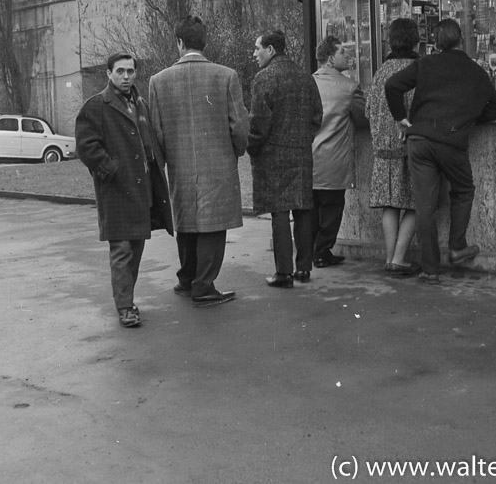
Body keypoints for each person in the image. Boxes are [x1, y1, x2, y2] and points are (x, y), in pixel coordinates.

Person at [384, 18, 496, 284]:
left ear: (435, 43)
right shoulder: (476, 72)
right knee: (463, 190)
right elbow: (495, 111)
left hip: (419, 140)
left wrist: (401, 119)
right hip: (451, 141)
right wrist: (466, 118)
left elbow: (392, 86)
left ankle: (430, 269)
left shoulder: (425, 64)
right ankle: (458, 247)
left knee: (425, 205)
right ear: (462, 38)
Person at [149, 16, 249, 308]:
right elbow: (239, 126)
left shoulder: (158, 81)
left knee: (187, 219)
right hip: (217, 161)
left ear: (179, 42)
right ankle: (204, 286)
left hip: (179, 165)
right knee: (213, 225)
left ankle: (187, 279)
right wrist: (236, 150)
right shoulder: (226, 75)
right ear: (205, 42)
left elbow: (156, 132)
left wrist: (167, 160)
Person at [76, 52, 173, 327]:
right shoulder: (96, 106)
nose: (126, 76)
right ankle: (125, 308)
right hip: (116, 193)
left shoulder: (140, 104)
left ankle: (127, 300)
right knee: (121, 252)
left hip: (142, 192)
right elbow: (86, 146)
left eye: (130, 71)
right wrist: (111, 169)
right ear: (108, 73)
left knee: (136, 250)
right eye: (120, 71)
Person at [247, 29, 322, 288]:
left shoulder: (264, 78)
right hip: (301, 152)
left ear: (270, 49)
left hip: (272, 153)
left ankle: (283, 272)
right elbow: (316, 116)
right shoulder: (305, 77)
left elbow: (258, 122)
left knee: (280, 212)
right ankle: (303, 268)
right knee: (302, 209)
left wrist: (253, 146)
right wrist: (303, 139)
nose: (255, 54)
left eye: (257, 48)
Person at [365, 18, 419, 275]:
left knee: (390, 203)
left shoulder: (380, 73)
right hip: (409, 147)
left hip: (382, 152)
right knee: (415, 202)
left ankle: (389, 258)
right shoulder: (417, 69)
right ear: (416, 39)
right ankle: (399, 259)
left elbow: (368, 111)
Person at [311, 35, 367, 269]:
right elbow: (363, 119)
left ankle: (310, 252)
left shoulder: (309, 82)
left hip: (310, 158)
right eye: (343, 52)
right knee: (333, 209)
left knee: (312, 211)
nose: (349, 55)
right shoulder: (349, 87)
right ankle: (322, 252)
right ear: (331, 58)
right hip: (334, 159)